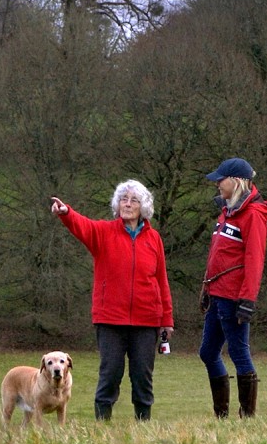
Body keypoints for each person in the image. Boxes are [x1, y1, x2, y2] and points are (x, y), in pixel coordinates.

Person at [50, 180, 174, 421]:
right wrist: (66, 213)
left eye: (134, 200)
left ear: (143, 207)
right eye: (123, 199)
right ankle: (102, 426)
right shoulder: (104, 232)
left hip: (147, 320)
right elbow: (82, 226)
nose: (127, 204)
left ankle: (143, 425)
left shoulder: (154, 239)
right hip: (110, 320)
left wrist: (167, 319)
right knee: (110, 375)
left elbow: (162, 280)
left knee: (142, 378)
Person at [199, 157, 267, 419]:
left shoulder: (254, 215)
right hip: (217, 294)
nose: (217, 185)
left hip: (234, 297)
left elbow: (254, 259)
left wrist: (247, 300)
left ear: (236, 182)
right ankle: (221, 416)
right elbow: (218, 254)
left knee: (238, 352)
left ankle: (247, 418)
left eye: (221, 180)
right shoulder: (227, 211)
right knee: (208, 352)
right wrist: (205, 287)